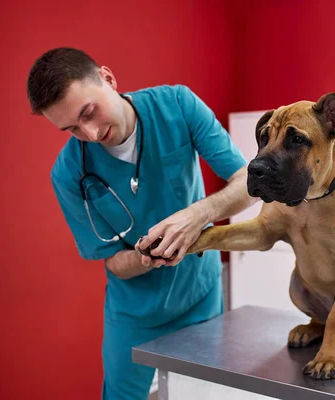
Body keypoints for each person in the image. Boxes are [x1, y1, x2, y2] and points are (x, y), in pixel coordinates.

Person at [26, 47, 256, 399]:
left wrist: (197, 215)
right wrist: (147, 256)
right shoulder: (69, 172)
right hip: (134, 312)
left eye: (89, 112)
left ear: (107, 78)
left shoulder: (178, 106)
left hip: (200, 293)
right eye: (71, 128)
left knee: (202, 394)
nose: (90, 132)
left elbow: (248, 182)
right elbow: (113, 263)